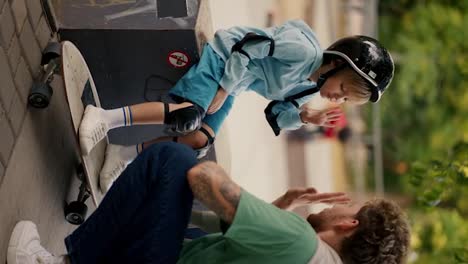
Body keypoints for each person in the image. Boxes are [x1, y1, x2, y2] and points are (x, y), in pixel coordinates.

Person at [78, 19, 395, 192]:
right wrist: (224, 87)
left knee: (199, 140)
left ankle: (122, 155)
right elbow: (249, 46)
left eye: (344, 99)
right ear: (336, 63)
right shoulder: (303, 50)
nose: (337, 98)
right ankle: (105, 117)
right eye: (342, 89)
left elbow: (276, 112)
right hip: (224, 58)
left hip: (234, 84)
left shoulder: (310, 86)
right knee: (190, 115)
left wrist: (304, 115)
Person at [8, 142, 409, 264]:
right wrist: (277, 208)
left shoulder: (305, 246)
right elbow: (236, 240)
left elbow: (202, 180)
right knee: (194, 225)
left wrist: (251, 201)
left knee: (175, 161)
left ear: (349, 225)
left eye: (349, 208)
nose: (339, 207)